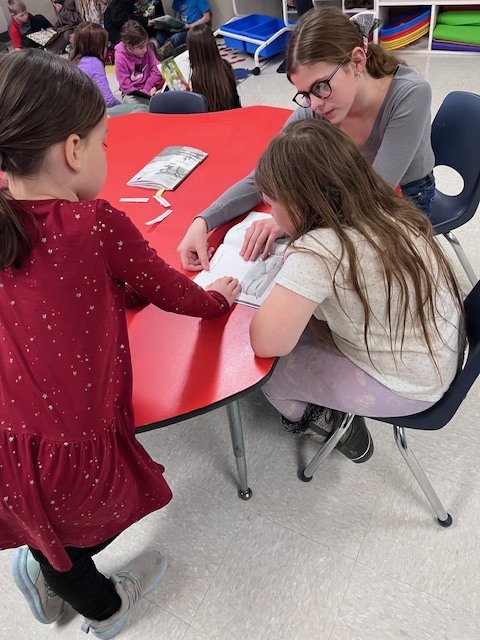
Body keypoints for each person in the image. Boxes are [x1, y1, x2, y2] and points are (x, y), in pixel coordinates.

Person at [0, 49, 240, 638]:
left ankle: (45, 561)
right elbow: (173, 294)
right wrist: (220, 299)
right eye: (104, 143)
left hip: (10, 431)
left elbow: (46, 293)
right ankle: (102, 610)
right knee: (81, 534)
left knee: (46, 521)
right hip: (73, 440)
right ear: (74, 149)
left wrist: (109, 290)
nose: (106, 154)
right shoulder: (97, 224)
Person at [249, 119, 464, 459]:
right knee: (305, 329)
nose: (272, 215)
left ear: (298, 204)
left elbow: (265, 342)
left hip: (413, 384)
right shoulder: (386, 207)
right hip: (442, 346)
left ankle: (340, 430)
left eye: (272, 206)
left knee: (270, 376)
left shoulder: (319, 251)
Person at [177, 7, 436, 272]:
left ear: (357, 61)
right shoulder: (317, 104)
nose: (314, 104)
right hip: (350, 189)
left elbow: (374, 196)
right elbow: (265, 174)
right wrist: (203, 222)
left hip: (406, 195)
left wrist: (291, 221)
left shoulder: (410, 94)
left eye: (321, 87)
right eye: (304, 94)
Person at [71, 21, 149, 114]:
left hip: (79, 112)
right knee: (142, 108)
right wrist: (122, 106)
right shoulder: (94, 63)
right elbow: (108, 100)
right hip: (92, 113)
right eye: (105, 45)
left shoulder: (74, 61)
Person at [186, 24, 241, 112]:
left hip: (213, 121)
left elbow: (200, 110)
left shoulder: (197, 77)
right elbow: (235, 101)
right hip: (233, 117)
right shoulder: (225, 66)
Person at [114, 20, 163, 109]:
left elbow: (158, 69)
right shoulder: (120, 58)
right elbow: (126, 87)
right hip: (133, 94)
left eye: (146, 45)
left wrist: (148, 87)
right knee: (132, 103)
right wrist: (146, 93)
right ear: (129, 48)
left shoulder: (146, 49)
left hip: (151, 87)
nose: (145, 49)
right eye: (141, 47)